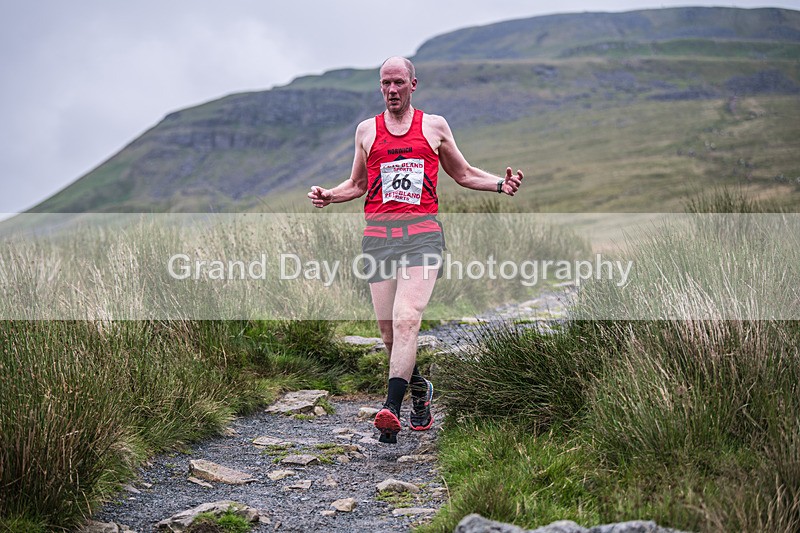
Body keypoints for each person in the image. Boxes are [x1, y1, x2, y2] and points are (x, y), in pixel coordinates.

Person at [308, 56, 523, 443]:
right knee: (390, 333)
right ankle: (420, 389)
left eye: (398, 83)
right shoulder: (366, 131)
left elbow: (463, 173)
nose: (391, 90)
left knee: (407, 318)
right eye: (385, 84)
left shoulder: (434, 126)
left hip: (422, 236)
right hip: (378, 238)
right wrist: (329, 195)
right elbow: (357, 184)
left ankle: (390, 409)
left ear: (413, 84)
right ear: (381, 87)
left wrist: (498, 185)